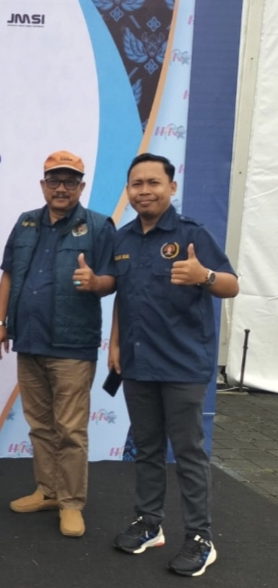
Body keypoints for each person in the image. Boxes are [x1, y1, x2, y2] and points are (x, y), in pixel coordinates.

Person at [108, 153, 238, 576]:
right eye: (137, 184)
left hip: (183, 364)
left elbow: (232, 285)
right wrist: (115, 344)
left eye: (153, 183)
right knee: (146, 448)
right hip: (138, 364)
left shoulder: (192, 235)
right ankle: (149, 523)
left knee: (187, 453)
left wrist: (204, 276)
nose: (144, 191)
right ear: (128, 190)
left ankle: (201, 538)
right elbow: (123, 297)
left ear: (171, 187)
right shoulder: (123, 239)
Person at [0, 151, 116, 537]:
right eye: (54, 180)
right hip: (28, 340)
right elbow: (9, 276)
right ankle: (48, 491)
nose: (62, 188)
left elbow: (113, 279)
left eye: (70, 181)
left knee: (71, 430)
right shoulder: (26, 222)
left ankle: (71, 502)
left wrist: (96, 283)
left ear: (82, 186)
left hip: (72, 346)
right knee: (40, 425)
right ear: (43, 185)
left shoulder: (99, 226)